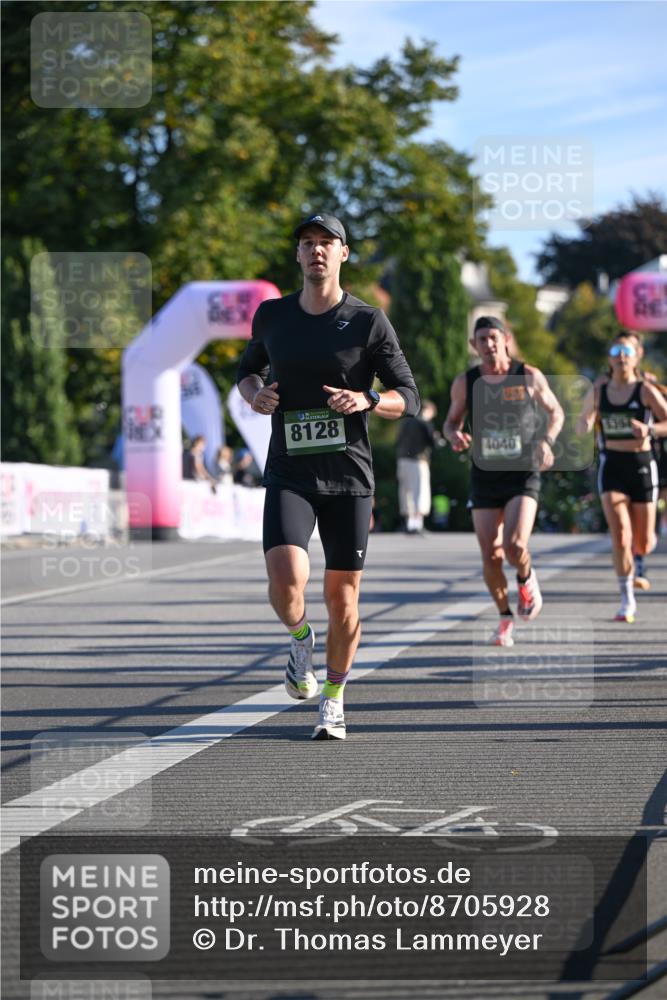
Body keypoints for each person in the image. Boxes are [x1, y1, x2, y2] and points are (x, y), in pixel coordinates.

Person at [236, 212, 419, 739]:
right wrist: (256, 395)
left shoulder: (368, 321)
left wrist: (367, 399)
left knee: (343, 601)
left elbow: (409, 396)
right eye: (307, 243)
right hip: (290, 471)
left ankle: (334, 698)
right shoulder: (272, 315)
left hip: (348, 479)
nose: (316, 250)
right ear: (298, 254)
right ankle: (300, 639)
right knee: (285, 580)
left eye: (326, 243)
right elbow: (246, 371)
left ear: (343, 253)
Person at [443, 316, 564, 647]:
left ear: (506, 339)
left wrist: (546, 441)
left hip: (522, 472)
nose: (489, 344)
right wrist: (454, 436)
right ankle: (504, 617)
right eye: (482, 339)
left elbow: (556, 413)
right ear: (474, 345)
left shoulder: (528, 375)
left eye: (494, 337)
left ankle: (526, 578)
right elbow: (450, 422)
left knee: (515, 545)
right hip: (485, 476)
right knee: (491, 556)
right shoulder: (466, 382)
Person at [577, 333, 667, 622]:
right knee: (621, 536)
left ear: (637, 357)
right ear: (609, 358)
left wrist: (649, 430)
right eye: (616, 351)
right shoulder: (599, 390)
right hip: (612, 465)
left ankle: (642, 550)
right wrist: (584, 423)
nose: (621, 357)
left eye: (627, 351)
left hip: (641, 465)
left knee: (643, 542)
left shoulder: (645, 390)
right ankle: (627, 600)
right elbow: (583, 419)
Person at [396, 399, 440, 533]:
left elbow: (398, 441)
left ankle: (408, 524)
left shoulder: (405, 422)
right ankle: (417, 524)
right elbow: (434, 442)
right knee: (420, 491)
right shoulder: (424, 423)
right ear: (428, 411)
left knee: (406, 491)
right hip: (418, 460)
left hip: (402, 460)